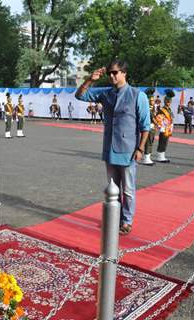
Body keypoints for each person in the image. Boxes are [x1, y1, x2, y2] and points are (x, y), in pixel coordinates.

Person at [75, 59, 150, 235]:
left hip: (129, 150)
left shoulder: (138, 95)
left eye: (115, 72)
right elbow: (80, 95)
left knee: (128, 190)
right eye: (109, 73)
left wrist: (140, 149)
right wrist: (90, 79)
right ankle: (114, 218)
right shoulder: (105, 93)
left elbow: (145, 126)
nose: (111, 76)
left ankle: (127, 221)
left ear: (124, 73)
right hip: (109, 148)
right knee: (112, 187)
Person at [154, 89, 174, 163]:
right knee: (162, 142)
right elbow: (158, 117)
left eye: (170, 101)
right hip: (163, 128)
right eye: (167, 101)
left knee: (165, 142)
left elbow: (171, 118)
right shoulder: (162, 110)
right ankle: (160, 156)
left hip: (168, 128)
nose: (169, 103)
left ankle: (163, 156)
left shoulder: (169, 109)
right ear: (165, 101)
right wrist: (162, 124)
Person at [140, 88, 157, 166]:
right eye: (152, 100)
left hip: (152, 127)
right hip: (148, 127)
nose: (153, 101)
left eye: (153, 100)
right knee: (148, 142)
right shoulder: (147, 108)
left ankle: (148, 157)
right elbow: (151, 117)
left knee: (151, 141)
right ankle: (146, 157)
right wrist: (156, 122)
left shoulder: (153, 108)